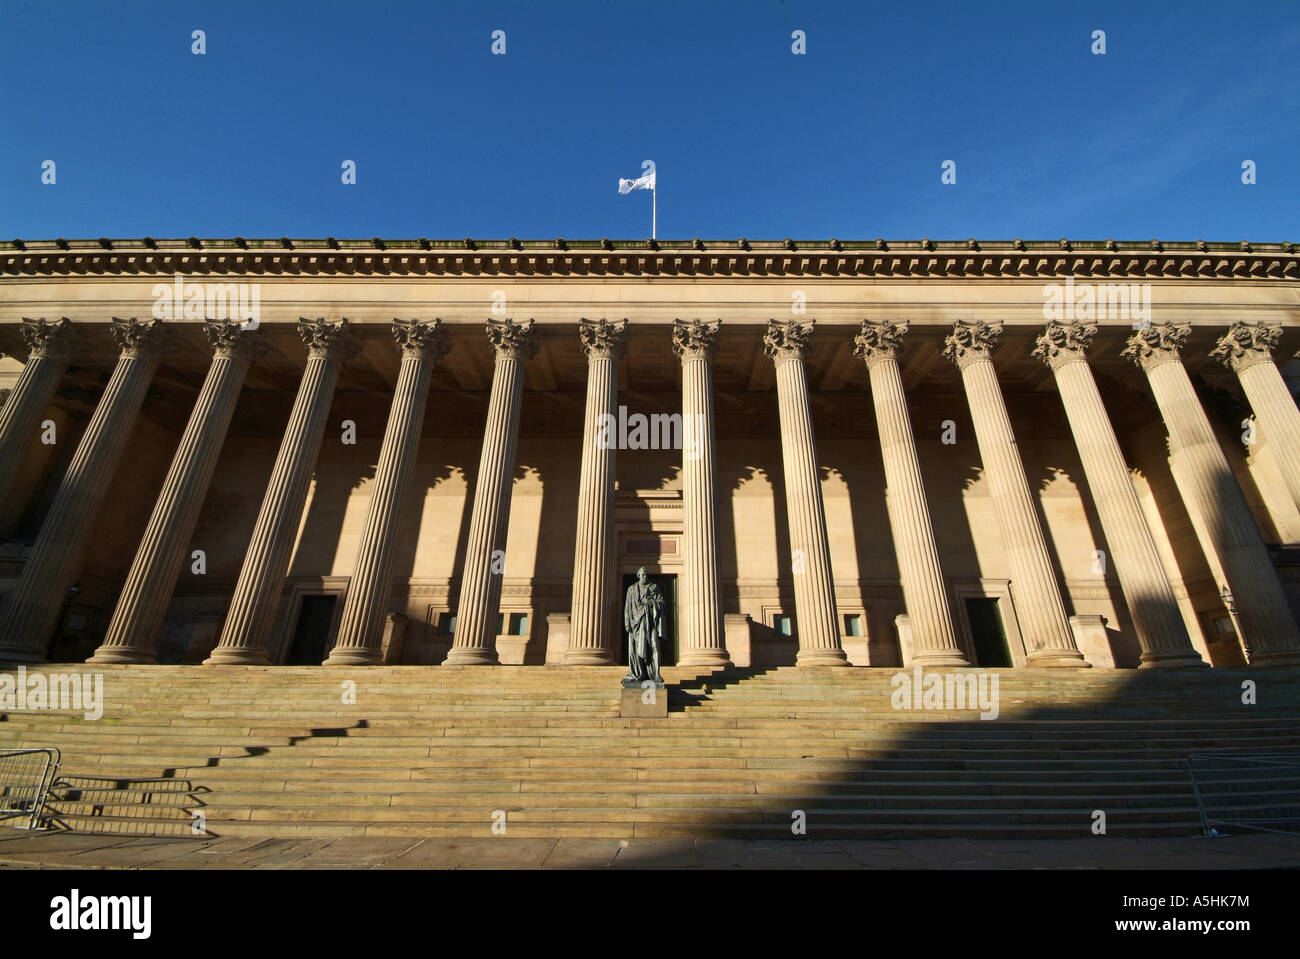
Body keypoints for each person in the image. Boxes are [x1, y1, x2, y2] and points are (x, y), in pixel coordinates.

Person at [622, 566, 665, 687]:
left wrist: (652, 603)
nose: (645, 576)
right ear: (638, 576)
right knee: (637, 649)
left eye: (646, 574)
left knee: (655, 645)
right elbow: (627, 607)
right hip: (636, 623)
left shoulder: (654, 588)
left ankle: (656, 674)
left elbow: (662, 602)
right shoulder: (631, 589)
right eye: (643, 574)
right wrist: (627, 623)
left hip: (651, 622)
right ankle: (639, 673)